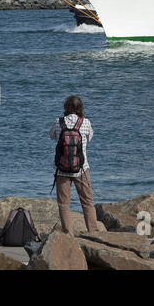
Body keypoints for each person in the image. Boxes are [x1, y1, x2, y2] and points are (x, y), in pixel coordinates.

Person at [49, 95, 97, 233]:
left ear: (66, 107)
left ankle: (68, 235)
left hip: (62, 170)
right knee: (87, 202)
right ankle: (94, 233)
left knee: (64, 204)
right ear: (80, 108)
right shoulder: (85, 122)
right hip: (82, 168)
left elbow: (51, 136)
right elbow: (90, 138)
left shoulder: (58, 122)